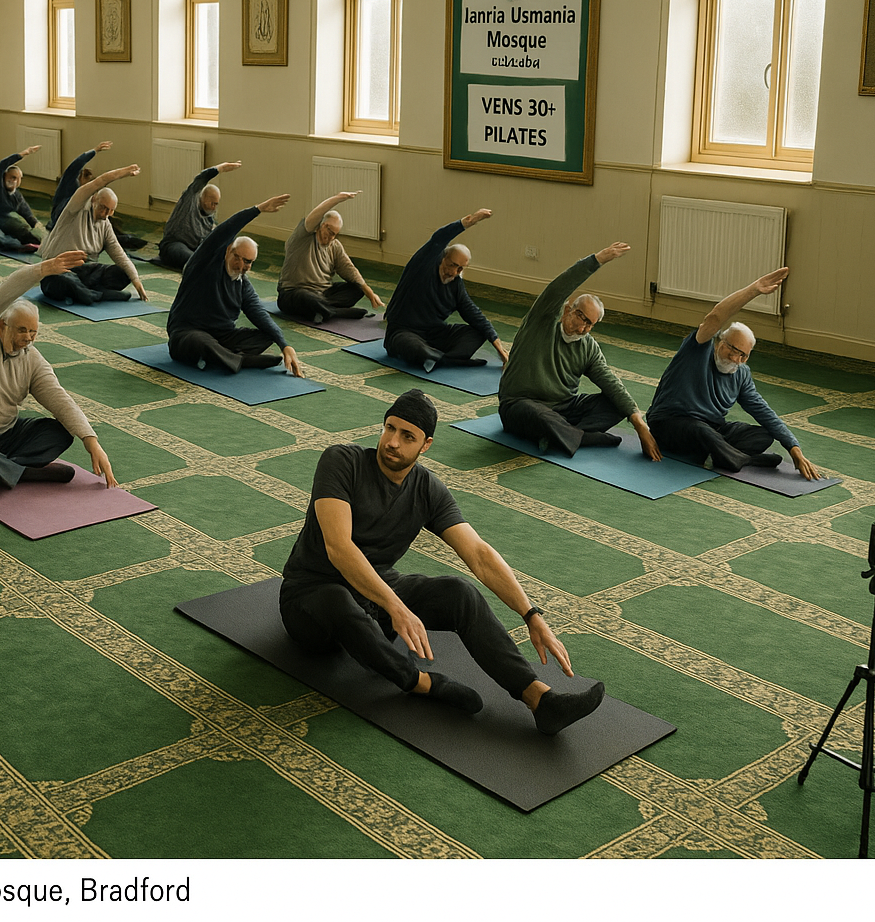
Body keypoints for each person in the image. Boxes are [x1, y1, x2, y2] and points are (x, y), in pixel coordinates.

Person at [281, 390, 605, 733]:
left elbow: (479, 555)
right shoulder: (341, 462)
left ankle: (540, 698)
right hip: (310, 599)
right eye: (390, 428)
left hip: (374, 598)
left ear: (426, 445)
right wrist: (397, 607)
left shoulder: (427, 489)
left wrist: (530, 614)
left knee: (458, 592)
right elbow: (339, 549)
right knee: (338, 599)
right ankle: (421, 682)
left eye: (407, 437)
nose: (392, 442)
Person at [0, 250, 118, 492]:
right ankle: (22, 472)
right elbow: (2, 294)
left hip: (4, 438)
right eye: (22, 330)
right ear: (2, 325)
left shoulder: (32, 360)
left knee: (60, 432)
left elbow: (60, 399)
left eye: (33, 332)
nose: (28, 338)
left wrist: (92, 443)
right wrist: (42, 270)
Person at [648, 268, 823, 479]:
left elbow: (763, 411)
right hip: (670, 424)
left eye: (742, 355)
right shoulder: (697, 351)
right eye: (731, 349)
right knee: (701, 431)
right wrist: (754, 290)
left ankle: (721, 453)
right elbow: (715, 316)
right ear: (720, 341)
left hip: (711, 429)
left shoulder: (741, 374)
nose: (734, 358)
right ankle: (742, 459)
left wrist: (793, 448)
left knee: (764, 435)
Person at [497, 243, 661, 459]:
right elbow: (559, 287)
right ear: (567, 309)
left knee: (616, 404)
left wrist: (639, 423)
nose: (582, 328)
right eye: (580, 318)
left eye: (590, 324)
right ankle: (582, 437)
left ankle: (560, 436)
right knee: (536, 414)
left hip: (565, 411)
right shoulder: (541, 322)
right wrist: (598, 260)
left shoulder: (588, 346)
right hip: (520, 404)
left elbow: (610, 382)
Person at [165, 194, 305, 376]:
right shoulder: (204, 265)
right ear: (227, 251)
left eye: (247, 261)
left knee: (268, 334)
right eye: (237, 257)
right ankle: (241, 360)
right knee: (200, 342)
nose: (240, 265)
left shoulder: (242, 284)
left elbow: (258, 313)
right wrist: (257, 210)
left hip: (223, 338)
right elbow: (222, 232)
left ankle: (222, 357)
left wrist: (284, 344)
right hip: (187, 333)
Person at [383, 209, 509, 371]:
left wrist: (500, 348)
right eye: (452, 265)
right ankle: (442, 358)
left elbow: (475, 315)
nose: (453, 272)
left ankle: (436, 358)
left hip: (436, 335)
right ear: (443, 257)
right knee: (412, 346)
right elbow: (439, 238)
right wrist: (469, 221)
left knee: (477, 332)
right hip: (404, 331)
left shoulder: (455, 284)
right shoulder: (422, 267)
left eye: (460, 269)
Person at [37, 162, 149, 305]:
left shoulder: (105, 223)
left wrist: (136, 280)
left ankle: (86, 292)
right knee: (63, 282)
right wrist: (124, 172)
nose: (105, 214)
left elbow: (118, 252)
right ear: (94, 199)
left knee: (123, 273)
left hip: (87, 271)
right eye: (103, 208)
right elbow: (100, 181)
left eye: (110, 210)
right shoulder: (76, 208)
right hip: (58, 270)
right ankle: (96, 295)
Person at [276, 191, 383, 323]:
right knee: (304, 296)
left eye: (335, 235)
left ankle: (320, 310)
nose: (331, 237)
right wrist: (338, 198)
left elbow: (348, 269)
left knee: (356, 289)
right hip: (293, 293)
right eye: (330, 232)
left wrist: (369, 292)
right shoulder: (303, 237)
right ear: (323, 225)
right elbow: (316, 214)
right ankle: (334, 312)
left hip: (323, 293)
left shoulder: (335, 246)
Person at [48, 141, 147, 251]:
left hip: (84, 225)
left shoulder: (91, 200)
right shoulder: (68, 191)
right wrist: (95, 150)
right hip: (67, 225)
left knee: (107, 221)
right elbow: (74, 167)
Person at [156, 160, 240, 270]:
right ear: (203, 198)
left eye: (217, 204)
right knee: (193, 259)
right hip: (174, 244)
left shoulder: (210, 218)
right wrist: (220, 169)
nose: (214, 207)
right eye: (212, 203)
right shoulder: (189, 202)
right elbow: (200, 180)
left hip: (196, 249)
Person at [0, 146, 44, 254]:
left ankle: (37, 245)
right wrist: (24, 153)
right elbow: (1, 166)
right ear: (4, 176)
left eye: (17, 179)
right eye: (11, 177)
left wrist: (41, 231)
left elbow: (28, 215)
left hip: (6, 221)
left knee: (24, 231)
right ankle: (17, 247)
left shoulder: (17, 196)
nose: (13, 181)